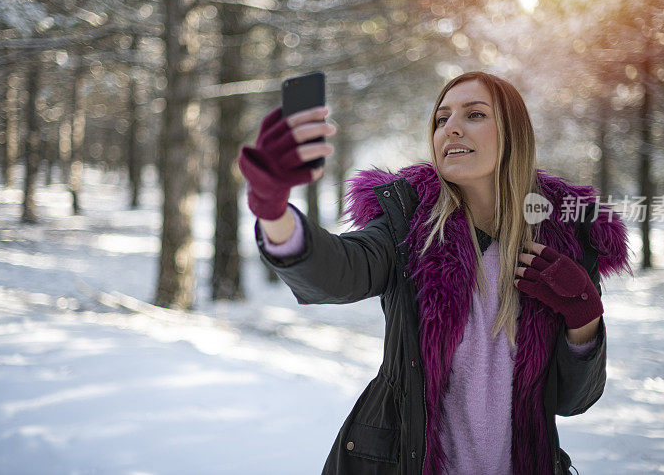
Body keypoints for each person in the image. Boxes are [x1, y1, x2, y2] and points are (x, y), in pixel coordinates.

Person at [237, 71, 631, 475]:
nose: (452, 128)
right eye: (441, 119)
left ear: (514, 134)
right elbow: (339, 270)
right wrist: (274, 211)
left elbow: (572, 401)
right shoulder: (409, 220)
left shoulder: (564, 237)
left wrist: (584, 316)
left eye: (474, 115)